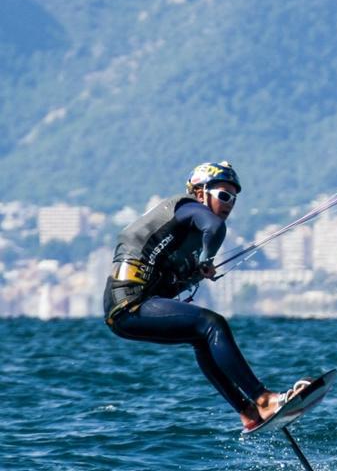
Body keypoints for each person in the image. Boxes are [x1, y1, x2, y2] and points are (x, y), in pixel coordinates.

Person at [103, 161, 304, 431]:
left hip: (125, 309)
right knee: (212, 324)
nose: (229, 203)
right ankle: (263, 399)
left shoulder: (181, 236)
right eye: (223, 195)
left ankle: (248, 412)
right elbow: (215, 228)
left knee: (202, 337)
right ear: (200, 192)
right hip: (130, 303)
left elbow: (165, 281)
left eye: (233, 198)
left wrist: (192, 270)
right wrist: (207, 259)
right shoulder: (187, 207)